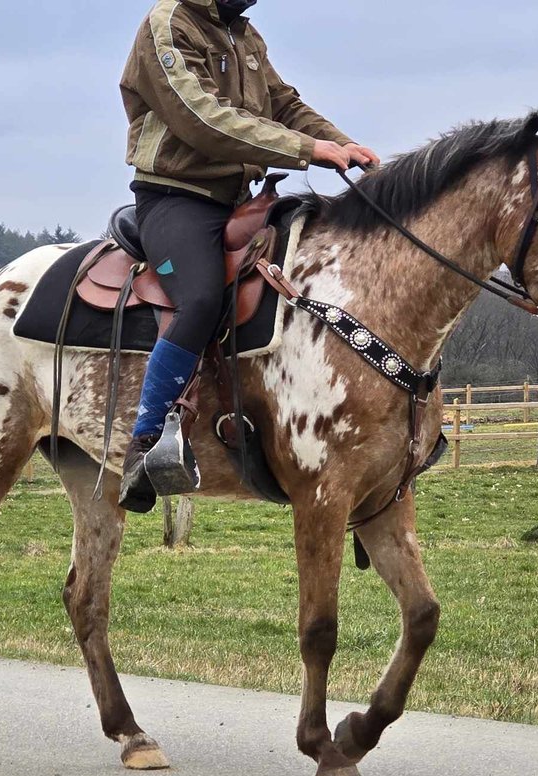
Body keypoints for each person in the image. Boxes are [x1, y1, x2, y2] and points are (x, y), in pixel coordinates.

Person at [116, 0, 379, 513]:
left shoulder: (245, 34)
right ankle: (144, 443)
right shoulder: (167, 24)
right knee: (201, 298)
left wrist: (344, 144)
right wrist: (307, 151)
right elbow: (201, 119)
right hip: (175, 199)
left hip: (242, 199)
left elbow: (283, 103)